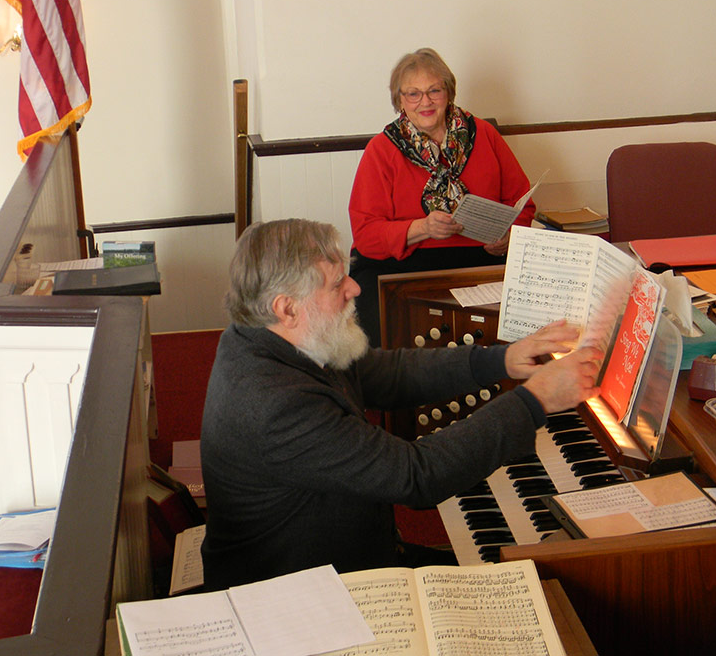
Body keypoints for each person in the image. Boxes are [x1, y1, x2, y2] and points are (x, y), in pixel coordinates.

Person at [199, 218, 602, 590]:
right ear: (287, 308)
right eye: (338, 283)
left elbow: (386, 373)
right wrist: (536, 399)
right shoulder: (274, 404)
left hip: (339, 559)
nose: (355, 288)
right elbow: (416, 476)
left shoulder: (265, 338)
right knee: (539, 589)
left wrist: (501, 360)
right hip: (299, 596)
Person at [348, 47, 536, 345]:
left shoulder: (484, 134)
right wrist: (421, 227)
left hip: (480, 261)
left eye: (434, 90)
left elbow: (522, 204)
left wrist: (508, 237)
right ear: (400, 101)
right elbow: (366, 234)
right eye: (413, 94)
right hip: (403, 266)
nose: (425, 101)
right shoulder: (381, 150)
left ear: (448, 93)